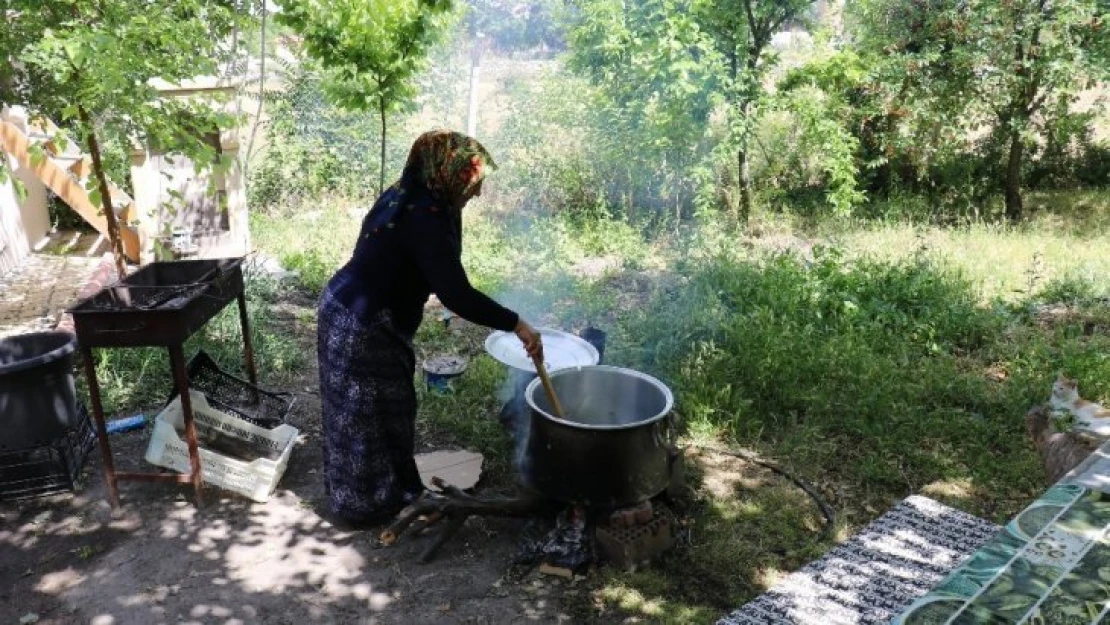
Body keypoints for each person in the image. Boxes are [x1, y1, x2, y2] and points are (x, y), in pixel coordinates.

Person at [316, 130, 543, 527]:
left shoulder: (412, 196)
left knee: (389, 409)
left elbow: (440, 270)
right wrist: (516, 323)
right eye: (473, 184)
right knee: (366, 414)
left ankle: (395, 493)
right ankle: (365, 506)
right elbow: (456, 294)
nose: (478, 193)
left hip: (349, 307)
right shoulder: (424, 218)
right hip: (360, 323)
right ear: (446, 175)